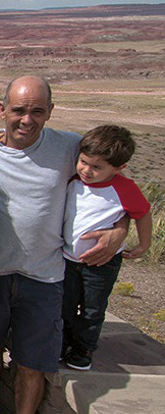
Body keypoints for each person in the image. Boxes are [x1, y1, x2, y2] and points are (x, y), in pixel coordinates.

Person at [0, 76, 129, 414]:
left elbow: (114, 181)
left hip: (43, 277)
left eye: (37, 111)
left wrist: (121, 226)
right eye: (18, 110)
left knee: (32, 361)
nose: (27, 120)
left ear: (50, 112)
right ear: (1, 110)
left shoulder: (70, 147)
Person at [62, 125, 152, 371]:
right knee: (64, 304)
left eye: (96, 167)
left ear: (119, 168)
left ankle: (83, 349)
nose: (87, 171)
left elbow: (143, 213)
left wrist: (144, 245)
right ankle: (62, 343)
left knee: (92, 308)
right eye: (83, 162)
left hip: (103, 263)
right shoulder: (73, 179)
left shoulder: (124, 188)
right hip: (68, 258)